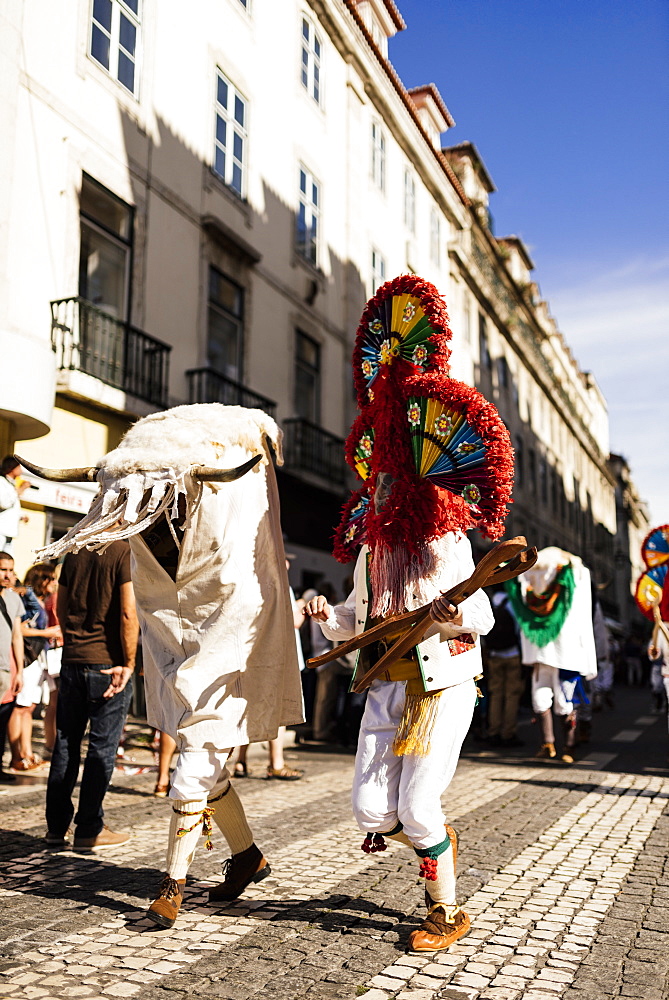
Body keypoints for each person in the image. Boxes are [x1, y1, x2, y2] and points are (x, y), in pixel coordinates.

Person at [306, 274, 512, 954]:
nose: (385, 483)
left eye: (395, 474)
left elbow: (477, 618)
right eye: (380, 473)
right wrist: (323, 615)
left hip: (439, 682)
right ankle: (433, 847)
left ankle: (444, 909)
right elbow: (354, 617)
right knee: (370, 808)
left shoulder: (446, 540)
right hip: (381, 679)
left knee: (418, 807)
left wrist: (450, 613)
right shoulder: (370, 549)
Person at [45, 541, 138, 850]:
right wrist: (129, 662)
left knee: (66, 744)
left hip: (72, 660)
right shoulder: (123, 552)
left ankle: (56, 828)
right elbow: (128, 611)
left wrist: (73, 641)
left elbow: (61, 604)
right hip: (108, 662)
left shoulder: (75, 551)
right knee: (101, 747)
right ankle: (89, 828)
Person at [506, 547, 597, 764]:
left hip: (562, 653)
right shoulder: (570, 572)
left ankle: (569, 745)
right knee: (542, 700)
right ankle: (548, 744)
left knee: (564, 701)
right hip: (543, 653)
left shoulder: (568, 574)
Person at [7, 563, 61, 771]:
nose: (55, 583)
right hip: (28, 659)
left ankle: (27, 753)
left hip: (39, 658)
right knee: (20, 707)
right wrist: (46, 633)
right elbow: (19, 630)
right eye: (51, 579)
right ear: (42, 579)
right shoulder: (28, 599)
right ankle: (17, 756)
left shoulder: (38, 600)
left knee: (29, 708)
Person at [483, 586, 524, 747]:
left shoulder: (491, 601)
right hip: (513, 653)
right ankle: (508, 733)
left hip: (494, 655)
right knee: (512, 695)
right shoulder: (513, 603)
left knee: (495, 694)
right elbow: (520, 629)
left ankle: (493, 731)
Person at [0, 551, 24, 782]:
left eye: (10, 570)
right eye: (3, 570)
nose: (7, 575)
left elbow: (18, 636)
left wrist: (20, 672)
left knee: (2, 721)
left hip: (6, 668)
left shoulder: (14, 598)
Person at [0, 457, 30, 554]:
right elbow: (4, 503)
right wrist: (20, 489)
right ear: (11, 468)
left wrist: (21, 515)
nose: (21, 470)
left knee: (7, 558)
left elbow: (13, 508)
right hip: (1, 529)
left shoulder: (12, 484)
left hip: (10, 530)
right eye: (18, 467)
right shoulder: (1, 482)